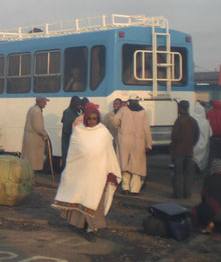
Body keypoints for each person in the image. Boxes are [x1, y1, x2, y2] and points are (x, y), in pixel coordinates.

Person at [52, 103, 122, 242]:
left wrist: (112, 171)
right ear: (85, 119)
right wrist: (70, 172)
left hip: (98, 174)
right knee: (80, 198)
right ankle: (81, 225)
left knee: (94, 200)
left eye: (94, 119)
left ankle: (92, 228)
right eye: (89, 119)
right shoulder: (78, 132)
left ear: (98, 119)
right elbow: (73, 156)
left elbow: (109, 153)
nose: (91, 122)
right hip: (80, 174)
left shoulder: (104, 133)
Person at [113, 95, 152, 194]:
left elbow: (115, 121)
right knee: (137, 166)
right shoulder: (143, 112)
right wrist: (148, 144)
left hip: (124, 139)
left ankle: (125, 188)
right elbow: (147, 129)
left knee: (124, 163)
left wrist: (117, 128)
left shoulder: (124, 110)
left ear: (129, 101)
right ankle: (134, 190)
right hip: (139, 141)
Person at [170, 100, 200, 199]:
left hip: (179, 151)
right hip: (189, 151)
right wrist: (191, 145)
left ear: (180, 108)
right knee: (188, 175)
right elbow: (197, 136)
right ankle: (187, 194)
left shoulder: (179, 120)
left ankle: (178, 194)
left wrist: (173, 148)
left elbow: (174, 137)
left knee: (178, 174)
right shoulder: (193, 121)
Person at [21, 95, 50, 172]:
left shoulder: (32, 109)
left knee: (29, 161)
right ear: (40, 102)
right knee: (32, 162)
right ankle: (31, 180)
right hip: (34, 139)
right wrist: (45, 134)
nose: (45, 104)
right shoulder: (37, 111)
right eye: (44, 102)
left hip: (30, 138)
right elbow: (38, 128)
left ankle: (29, 179)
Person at [61, 96, 82, 168]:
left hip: (72, 140)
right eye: (78, 104)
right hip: (68, 140)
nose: (79, 106)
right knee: (67, 157)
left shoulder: (75, 112)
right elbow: (67, 129)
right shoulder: (67, 112)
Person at [192, 102, 212, 173]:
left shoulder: (191, 120)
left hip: (192, 145)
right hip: (203, 145)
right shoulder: (206, 122)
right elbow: (211, 134)